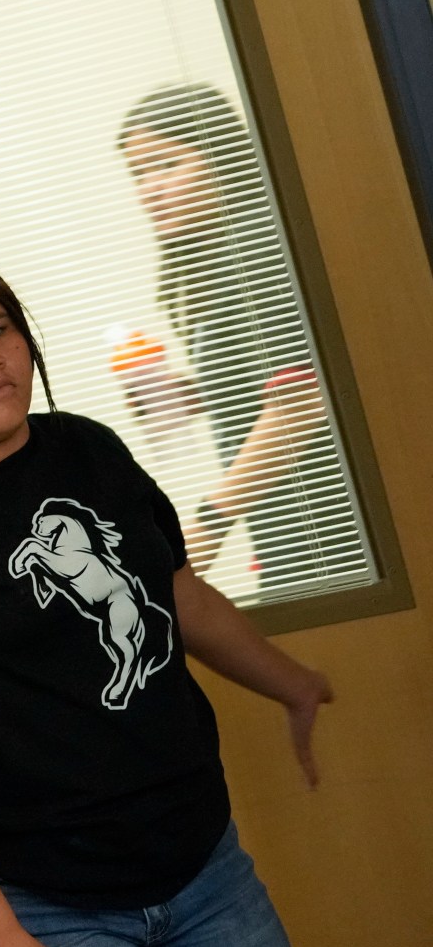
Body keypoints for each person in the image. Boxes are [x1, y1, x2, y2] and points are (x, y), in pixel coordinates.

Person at [0, 241, 333, 947]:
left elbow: (178, 597)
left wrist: (292, 684)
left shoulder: (90, 450)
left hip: (206, 867)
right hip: (43, 907)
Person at [116, 84, 331, 587]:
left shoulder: (258, 250)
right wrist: (197, 395)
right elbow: (278, 377)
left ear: (223, 159)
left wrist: (210, 521)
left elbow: (300, 402)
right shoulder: (223, 256)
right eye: (138, 174)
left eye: (166, 165)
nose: (150, 188)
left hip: (321, 525)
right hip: (287, 527)